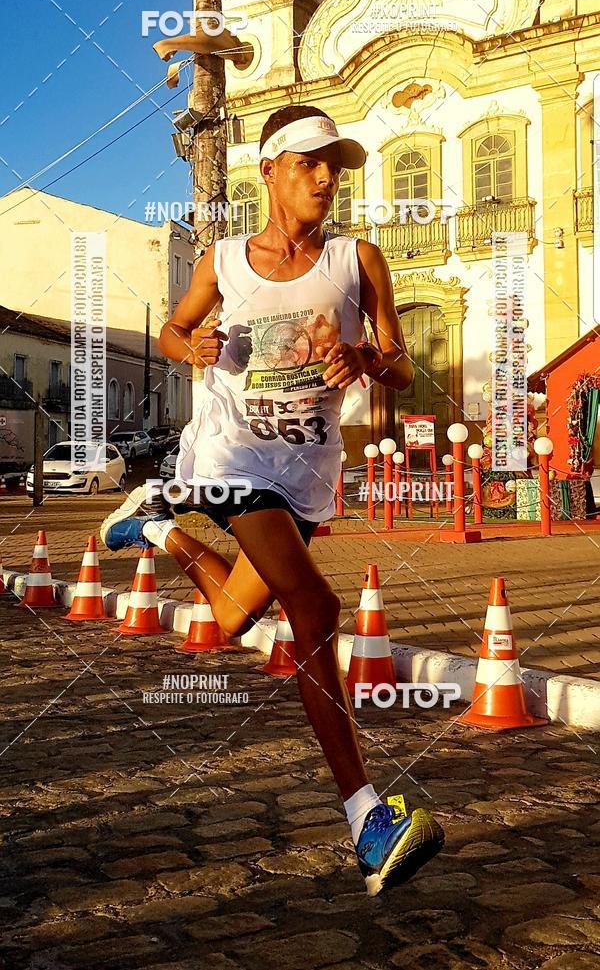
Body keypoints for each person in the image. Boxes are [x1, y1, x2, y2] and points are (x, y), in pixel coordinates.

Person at [101, 104, 444, 896]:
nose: (327, 178)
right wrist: (193, 343)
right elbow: (174, 332)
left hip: (308, 474)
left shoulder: (361, 260)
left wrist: (364, 356)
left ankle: (157, 531)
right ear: (270, 171)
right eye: (310, 163)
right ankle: (366, 817)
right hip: (232, 458)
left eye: (337, 166)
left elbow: (399, 366)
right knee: (316, 610)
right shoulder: (223, 259)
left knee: (231, 619)